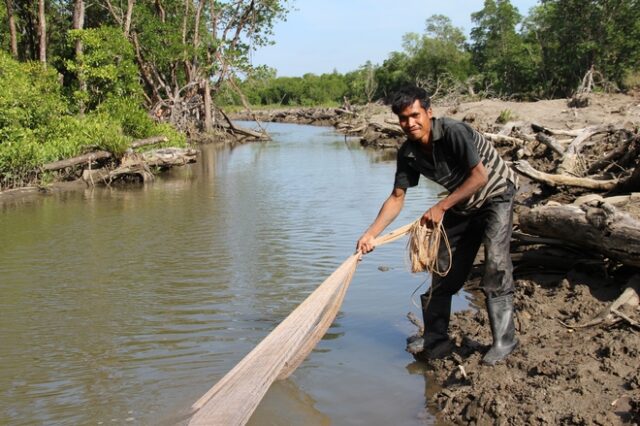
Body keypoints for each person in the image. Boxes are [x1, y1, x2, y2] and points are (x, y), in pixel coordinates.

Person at [356, 85, 519, 366]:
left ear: (429, 113)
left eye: (415, 115)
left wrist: (441, 207)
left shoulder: (454, 132)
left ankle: (505, 341)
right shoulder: (408, 152)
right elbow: (397, 198)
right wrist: (371, 234)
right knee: (442, 266)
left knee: (496, 263)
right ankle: (435, 338)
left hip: (496, 195)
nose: (410, 123)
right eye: (403, 118)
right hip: (464, 202)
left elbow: (479, 177)